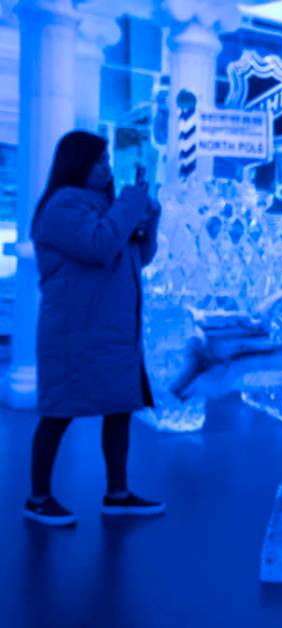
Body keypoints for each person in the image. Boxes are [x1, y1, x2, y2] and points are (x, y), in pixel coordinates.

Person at [25, 130, 164, 526]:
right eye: (99, 160)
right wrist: (131, 203)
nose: (106, 168)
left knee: (119, 408)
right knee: (58, 414)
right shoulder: (62, 206)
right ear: (78, 164)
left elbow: (139, 257)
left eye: (107, 160)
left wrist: (149, 221)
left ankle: (117, 494)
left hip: (110, 332)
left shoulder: (106, 205)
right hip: (75, 334)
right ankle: (37, 498)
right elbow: (98, 245)